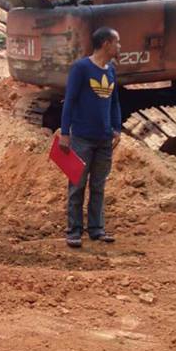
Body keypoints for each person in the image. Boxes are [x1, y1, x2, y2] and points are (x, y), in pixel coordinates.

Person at [59, 26, 122, 248]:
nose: (119, 47)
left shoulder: (111, 70)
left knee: (98, 185)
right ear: (106, 43)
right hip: (82, 138)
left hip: (104, 139)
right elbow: (70, 101)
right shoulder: (81, 68)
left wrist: (116, 128)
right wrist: (65, 133)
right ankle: (74, 230)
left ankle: (97, 229)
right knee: (76, 184)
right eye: (117, 43)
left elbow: (114, 101)